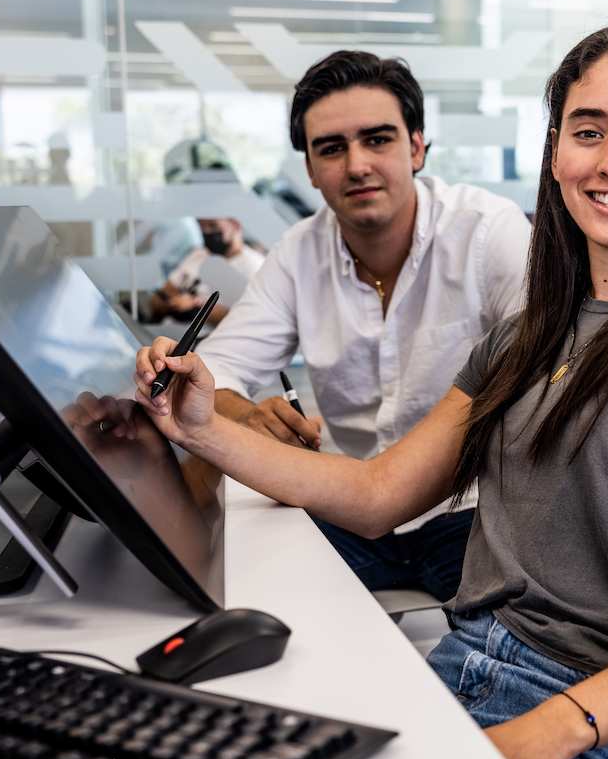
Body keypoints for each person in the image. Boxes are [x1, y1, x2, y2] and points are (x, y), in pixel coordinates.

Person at [127, 22, 608, 759]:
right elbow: (376, 498)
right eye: (588, 131)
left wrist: (561, 723)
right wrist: (199, 427)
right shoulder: (528, 333)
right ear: (556, 156)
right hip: (470, 666)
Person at [189, 50, 532, 602]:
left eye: (378, 139)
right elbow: (213, 371)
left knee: (500, 654)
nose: (356, 166)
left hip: (470, 514)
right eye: (331, 148)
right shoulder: (298, 253)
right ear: (309, 170)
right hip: (346, 512)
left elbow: (550, 379)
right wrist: (250, 416)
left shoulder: (488, 232)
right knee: (238, 593)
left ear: (417, 147)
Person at [146, 217, 265, 325]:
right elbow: (164, 293)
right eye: (202, 227)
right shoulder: (200, 254)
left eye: (213, 226)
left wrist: (195, 306)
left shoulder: (255, 268)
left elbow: (245, 318)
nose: (207, 232)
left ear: (235, 224)